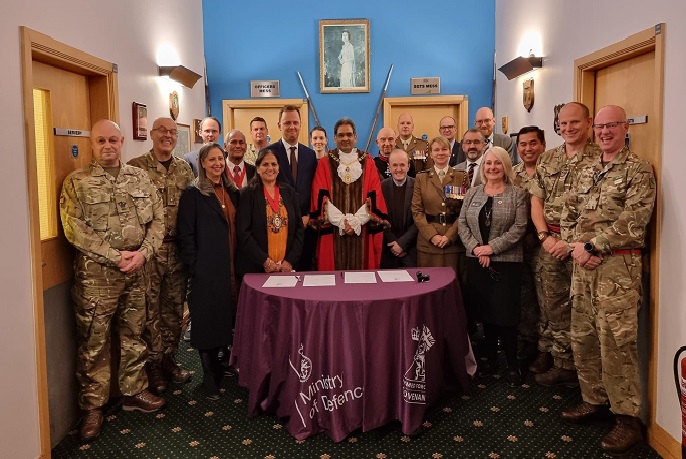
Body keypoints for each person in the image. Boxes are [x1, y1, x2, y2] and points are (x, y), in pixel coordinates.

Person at [60, 120, 166, 441]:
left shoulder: (140, 177)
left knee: (135, 332)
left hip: (137, 270)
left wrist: (144, 253)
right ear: (92, 144)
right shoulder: (77, 182)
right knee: (94, 341)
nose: (108, 145)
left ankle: (134, 390)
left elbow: (158, 219)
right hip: (97, 277)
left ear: (122, 142)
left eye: (113, 140)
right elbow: (74, 228)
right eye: (100, 140)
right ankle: (93, 407)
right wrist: (114, 256)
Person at [560, 105, 656, 455]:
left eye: (610, 125)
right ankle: (593, 400)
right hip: (583, 267)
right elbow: (569, 211)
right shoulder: (586, 170)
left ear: (624, 127)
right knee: (583, 335)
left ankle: (627, 420)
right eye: (599, 126)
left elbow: (635, 218)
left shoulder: (638, 169)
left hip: (617, 270)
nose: (603, 132)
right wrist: (575, 246)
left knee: (616, 342)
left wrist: (593, 244)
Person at [529, 102, 601, 386]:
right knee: (552, 303)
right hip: (550, 243)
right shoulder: (549, 159)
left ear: (589, 122)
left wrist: (573, 244)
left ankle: (582, 372)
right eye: (563, 123)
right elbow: (537, 200)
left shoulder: (601, 158)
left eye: (575, 122)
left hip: (586, 249)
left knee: (584, 311)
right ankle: (560, 360)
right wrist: (545, 237)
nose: (568, 128)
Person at [127, 117, 195, 395]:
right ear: (152, 135)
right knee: (149, 311)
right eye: (162, 131)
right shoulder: (135, 168)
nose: (167, 136)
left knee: (174, 309)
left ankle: (169, 358)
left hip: (177, 252)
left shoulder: (184, 170)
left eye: (172, 132)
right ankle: (152, 366)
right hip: (149, 253)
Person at [458, 146, 528, 386]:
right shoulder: (473, 193)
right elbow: (462, 224)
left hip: (506, 263)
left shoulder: (517, 194)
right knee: (485, 313)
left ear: (505, 166)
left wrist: (492, 248)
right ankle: (489, 359)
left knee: (506, 315)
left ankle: (512, 365)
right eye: (488, 164)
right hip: (476, 261)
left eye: (497, 163)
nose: (492, 168)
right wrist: (477, 248)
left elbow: (519, 228)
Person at [176, 142, 240, 400]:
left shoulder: (232, 191)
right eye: (211, 159)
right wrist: (195, 266)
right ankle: (209, 378)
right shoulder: (193, 194)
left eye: (220, 159)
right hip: (206, 269)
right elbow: (186, 234)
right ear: (202, 163)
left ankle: (219, 368)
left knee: (224, 319)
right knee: (205, 323)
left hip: (231, 268)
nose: (217, 163)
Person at [310, 117, 388, 270]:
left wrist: (355, 222)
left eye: (349, 134)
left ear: (355, 137)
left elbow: (375, 195)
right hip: (333, 230)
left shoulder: (367, 161)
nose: (345, 138)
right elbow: (320, 196)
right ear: (334, 138)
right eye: (341, 135)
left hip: (362, 229)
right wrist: (341, 222)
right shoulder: (325, 162)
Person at [263, 105, 317, 270]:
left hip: (305, 227)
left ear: (301, 124)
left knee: (305, 274)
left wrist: (309, 215)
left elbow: (314, 188)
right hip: (278, 228)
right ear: (279, 125)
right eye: (287, 123)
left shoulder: (310, 154)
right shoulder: (268, 153)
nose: (292, 126)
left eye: (295, 122)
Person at [236, 149, 304, 274]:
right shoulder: (247, 194)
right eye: (265, 164)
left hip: (286, 268)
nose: (270, 168)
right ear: (257, 168)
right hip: (257, 267)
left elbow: (299, 229)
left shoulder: (289, 192)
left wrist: (289, 261)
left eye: (274, 164)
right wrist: (265, 261)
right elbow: (243, 233)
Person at [512, 126, 546, 366]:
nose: (528, 148)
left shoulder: (552, 172)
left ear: (542, 145)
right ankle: (527, 341)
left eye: (532, 143)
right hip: (518, 245)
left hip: (547, 246)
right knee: (524, 296)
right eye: (523, 144)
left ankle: (548, 349)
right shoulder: (512, 174)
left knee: (548, 299)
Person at [411, 136, 470, 269]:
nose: (440, 153)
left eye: (444, 149)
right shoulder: (421, 178)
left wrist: (450, 236)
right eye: (436, 150)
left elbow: (465, 211)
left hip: (453, 243)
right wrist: (432, 236)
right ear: (430, 154)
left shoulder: (462, 177)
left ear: (450, 152)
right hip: (428, 243)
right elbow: (417, 212)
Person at [380, 149, 417, 268]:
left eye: (402, 165)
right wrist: (393, 244)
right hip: (388, 250)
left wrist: (402, 244)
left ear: (408, 166)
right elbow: (379, 218)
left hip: (411, 250)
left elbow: (420, 218)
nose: (399, 169)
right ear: (389, 167)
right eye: (395, 165)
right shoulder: (381, 187)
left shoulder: (418, 186)